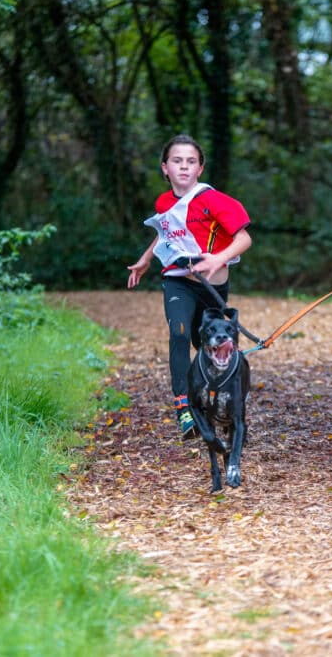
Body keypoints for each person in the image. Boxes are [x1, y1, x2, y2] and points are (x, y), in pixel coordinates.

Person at [127, 134, 253, 440]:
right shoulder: (163, 202)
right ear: (165, 168)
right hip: (178, 282)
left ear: (200, 168)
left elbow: (245, 239)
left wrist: (217, 259)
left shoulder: (214, 200)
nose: (184, 167)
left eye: (191, 161)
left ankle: (227, 405)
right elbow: (166, 234)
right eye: (177, 161)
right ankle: (183, 407)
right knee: (180, 333)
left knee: (211, 345)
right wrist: (145, 260)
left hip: (211, 285)